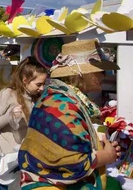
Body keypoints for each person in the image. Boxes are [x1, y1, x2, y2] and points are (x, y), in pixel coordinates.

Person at [19, 40, 122, 189]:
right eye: (99, 71)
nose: (104, 76)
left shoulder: (58, 98)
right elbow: (71, 162)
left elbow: (66, 145)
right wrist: (106, 156)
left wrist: (104, 148)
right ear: (81, 73)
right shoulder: (63, 106)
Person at [0, 57, 48, 190]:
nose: (42, 88)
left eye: (43, 84)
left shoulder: (36, 99)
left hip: (26, 157)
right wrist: (8, 117)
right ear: (25, 80)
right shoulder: (8, 94)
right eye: (38, 84)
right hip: (6, 157)